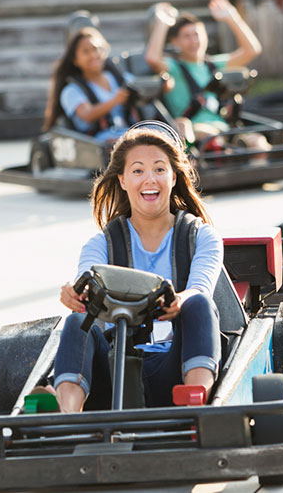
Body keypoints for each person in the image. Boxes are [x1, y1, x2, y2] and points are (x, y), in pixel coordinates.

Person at [54, 120, 224, 412]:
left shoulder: (201, 236)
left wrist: (179, 300)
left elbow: (201, 288)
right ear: (122, 180)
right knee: (74, 322)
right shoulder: (101, 243)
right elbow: (87, 279)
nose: (150, 180)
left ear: (173, 177)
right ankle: (68, 417)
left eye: (159, 169)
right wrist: (75, 293)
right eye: (138, 171)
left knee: (197, 304)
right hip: (114, 365)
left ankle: (196, 403)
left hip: (175, 365)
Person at [145, 0, 266, 149]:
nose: (194, 41)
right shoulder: (173, 67)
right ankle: (226, 150)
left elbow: (252, 50)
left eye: (196, 34)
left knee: (259, 142)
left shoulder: (214, 65)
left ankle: (247, 161)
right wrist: (162, 24)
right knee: (208, 136)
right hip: (193, 132)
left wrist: (232, 17)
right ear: (175, 42)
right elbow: (152, 58)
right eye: (187, 36)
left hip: (223, 128)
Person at [44, 27, 135, 142]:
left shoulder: (118, 77)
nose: (93, 55)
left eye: (96, 49)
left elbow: (139, 85)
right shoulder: (71, 90)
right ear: (75, 60)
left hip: (128, 132)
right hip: (99, 141)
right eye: (86, 52)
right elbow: (87, 115)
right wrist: (115, 101)